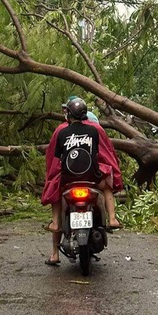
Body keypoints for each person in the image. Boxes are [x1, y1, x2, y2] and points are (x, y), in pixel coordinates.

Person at [42, 96, 123, 265]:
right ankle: (113, 218)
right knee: (106, 186)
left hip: (68, 179)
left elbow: (54, 160)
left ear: (68, 113)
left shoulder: (61, 131)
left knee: (55, 194)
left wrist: (51, 176)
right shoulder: (94, 130)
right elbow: (104, 154)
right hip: (92, 178)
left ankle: (55, 246)